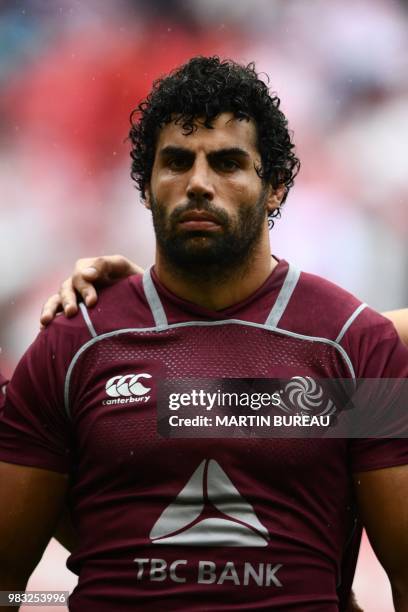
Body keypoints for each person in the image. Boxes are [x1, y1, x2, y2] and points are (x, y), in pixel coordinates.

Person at [0, 56, 407, 611]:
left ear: (277, 187)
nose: (197, 184)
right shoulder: (76, 343)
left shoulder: (351, 346)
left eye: (228, 162)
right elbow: (7, 580)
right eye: (176, 162)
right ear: (145, 186)